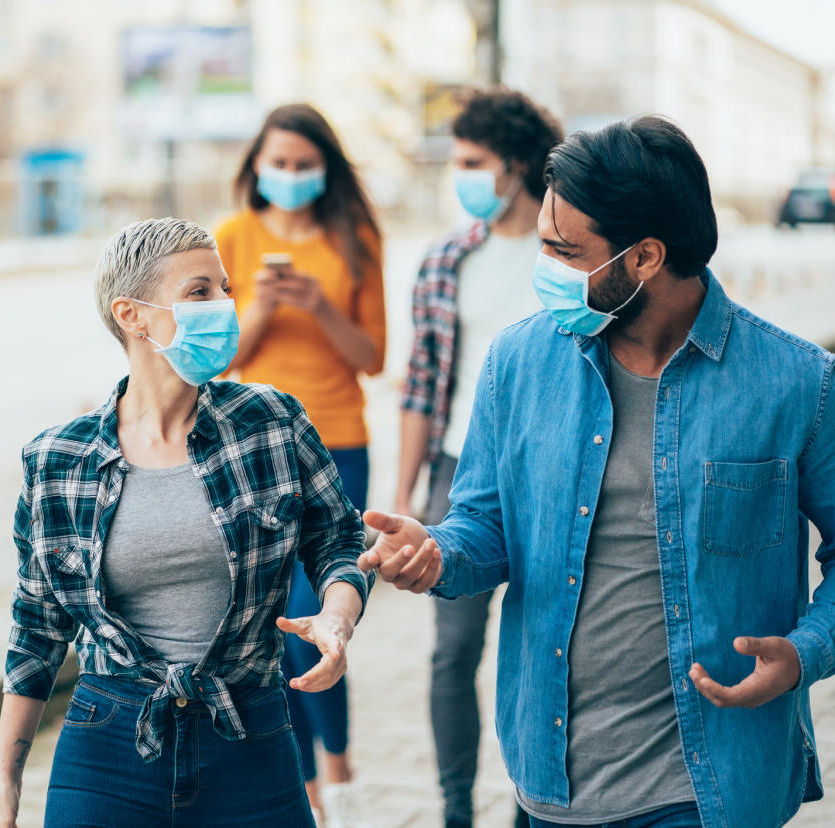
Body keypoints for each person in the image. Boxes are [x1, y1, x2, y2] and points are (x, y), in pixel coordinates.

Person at [361, 115, 835, 828]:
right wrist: (435, 555)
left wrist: (803, 655)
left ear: (644, 257)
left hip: (711, 791)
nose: (542, 266)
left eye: (564, 249)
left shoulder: (798, 383)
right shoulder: (516, 363)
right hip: (552, 783)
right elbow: (484, 527)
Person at [0, 218, 372, 828]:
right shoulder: (57, 460)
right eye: (199, 292)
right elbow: (36, 625)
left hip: (250, 733)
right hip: (108, 743)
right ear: (132, 315)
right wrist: (4, 779)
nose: (225, 305)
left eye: (225, 288)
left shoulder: (271, 422)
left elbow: (337, 536)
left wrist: (338, 615)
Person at [394, 88, 563, 828]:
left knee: (554, 644)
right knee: (451, 651)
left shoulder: (571, 255)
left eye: (472, 161)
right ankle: (456, 808)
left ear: (517, 162)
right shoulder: (446, 261)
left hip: (558, 473)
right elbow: (422, 389)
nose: (460, 175)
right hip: (461, 472)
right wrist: (405, 499)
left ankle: (547, 797)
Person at [214, 103, 385, 827]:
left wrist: (318, 304)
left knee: (323, 609)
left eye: (302, 163)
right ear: (256, 163)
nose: (288, 175)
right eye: (276, 162)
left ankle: (336, 764)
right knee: (271, 617)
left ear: (327, 169)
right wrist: (259, 307)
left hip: (338, 440)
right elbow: (219, 356)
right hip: (253, 449)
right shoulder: (230, 239)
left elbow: (372, 358)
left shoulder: (354, 239)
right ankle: (306, 776)